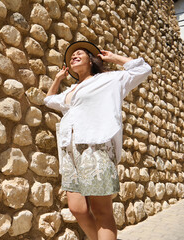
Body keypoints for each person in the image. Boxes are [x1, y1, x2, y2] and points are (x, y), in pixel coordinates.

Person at [44, 41, 152, 240]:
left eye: (79, 53)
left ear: (92, 60)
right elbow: (49, 100)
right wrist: (58, 79)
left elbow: (143, 68)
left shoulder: (109, 79)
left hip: (96, 146)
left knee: (101, 211)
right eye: (71, 55)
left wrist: (114, 58)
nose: (74, 56)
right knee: (77, 209)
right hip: (70, 151)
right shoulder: (71, 91)